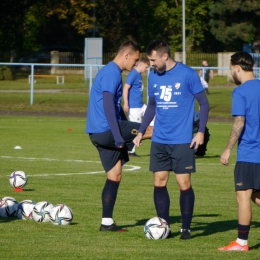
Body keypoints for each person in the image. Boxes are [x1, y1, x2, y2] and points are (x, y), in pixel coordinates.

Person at [133, 39, 209, 239]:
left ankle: (186, 228)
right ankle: (163, 226)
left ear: (164, 56)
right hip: (159, 139)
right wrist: (141, 131)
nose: (150, 64)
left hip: (182, 140)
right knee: (159, 181)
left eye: (153, 60)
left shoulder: (187, 74)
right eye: (149, 60)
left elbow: (204, 103)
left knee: (184, 184)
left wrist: (200, 131)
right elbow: (151, 106)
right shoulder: (153, 76)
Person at [86, 40, 143, 232]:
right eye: (135, 59)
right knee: (150, 130)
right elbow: (109, 105)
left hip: (96, 133)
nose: (136, 64)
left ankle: (107, 223)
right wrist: (119, 137)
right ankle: (179, 148)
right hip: (107, 130)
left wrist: (125, 122)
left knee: (115, 175)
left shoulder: (110, 72)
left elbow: (116, 107)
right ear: (126, 54)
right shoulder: (112, 73)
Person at [218, 51, 260, 251]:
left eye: (230, 69)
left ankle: (241, 243)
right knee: (257, 195)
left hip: (250, 153)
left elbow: (239, 122)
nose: (230, 73)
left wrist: (227, 149)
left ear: (237, 68)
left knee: (243, 196)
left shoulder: (241, 92)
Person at [123, 57, 154, 157]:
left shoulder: (139, 75)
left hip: (141, 105)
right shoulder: (132, 74)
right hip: (134, 107)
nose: (146, 69)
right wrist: (126, 103)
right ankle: (131, 151)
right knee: (135, 128)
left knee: (154, 116)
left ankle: (154, 138)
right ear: (140, 65)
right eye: (146, 67)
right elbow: (126, 88)